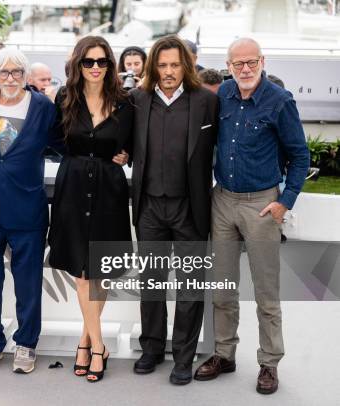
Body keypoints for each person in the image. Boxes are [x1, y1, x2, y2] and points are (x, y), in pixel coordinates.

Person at [194, 38, 310, 395]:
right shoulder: (223, 95)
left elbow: (300, 157)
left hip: (261, 204)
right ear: (228, 66)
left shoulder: (280, 101)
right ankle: (224, 354)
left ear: (262, 61)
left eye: (250, 62)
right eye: (237, 63)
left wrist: (284, 201)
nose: (245, 69)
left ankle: (269, 362)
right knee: (223, 287)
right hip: (223, 200)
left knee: (266, 292)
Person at [0, 48, 63, 374]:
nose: (10, 79)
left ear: (26, 76)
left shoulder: (42, 106)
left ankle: (26, 344)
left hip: (27, 206)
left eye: (17, 73)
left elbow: (64, 144)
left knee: (28, 281)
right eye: (3, 72)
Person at [130, 35, 218, 385]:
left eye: (175, 65)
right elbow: (119, 142)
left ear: (187, 66)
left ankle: (183, 357)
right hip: (149, 205)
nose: (168, 72)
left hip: (190, 208)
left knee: (190, 287)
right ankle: (151, 348)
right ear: (154, 68)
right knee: (150, 282)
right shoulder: (137, 100)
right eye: (162, 65)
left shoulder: (207, 103)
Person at [48, 36, 131, 383]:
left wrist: (127, 154)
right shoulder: (65, 98)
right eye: (89, 62)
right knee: (82, 272)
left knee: (100, 270)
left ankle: (85, 340)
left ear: (111, 65)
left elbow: (135, 143)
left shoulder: (126, 102)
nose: (96, 67)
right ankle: (99, 346)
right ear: (78, 65)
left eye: (102, 61)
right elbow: (53, 140)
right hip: (74, 186)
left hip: (109, 190)